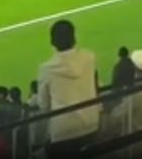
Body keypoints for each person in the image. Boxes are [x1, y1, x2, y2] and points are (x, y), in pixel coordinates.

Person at [37, 20, 99, 159]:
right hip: (91, 123)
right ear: (74, 38)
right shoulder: (89, 57)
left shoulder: (46, 69)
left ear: (52, 42)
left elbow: (43, 105)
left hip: (63, 131)